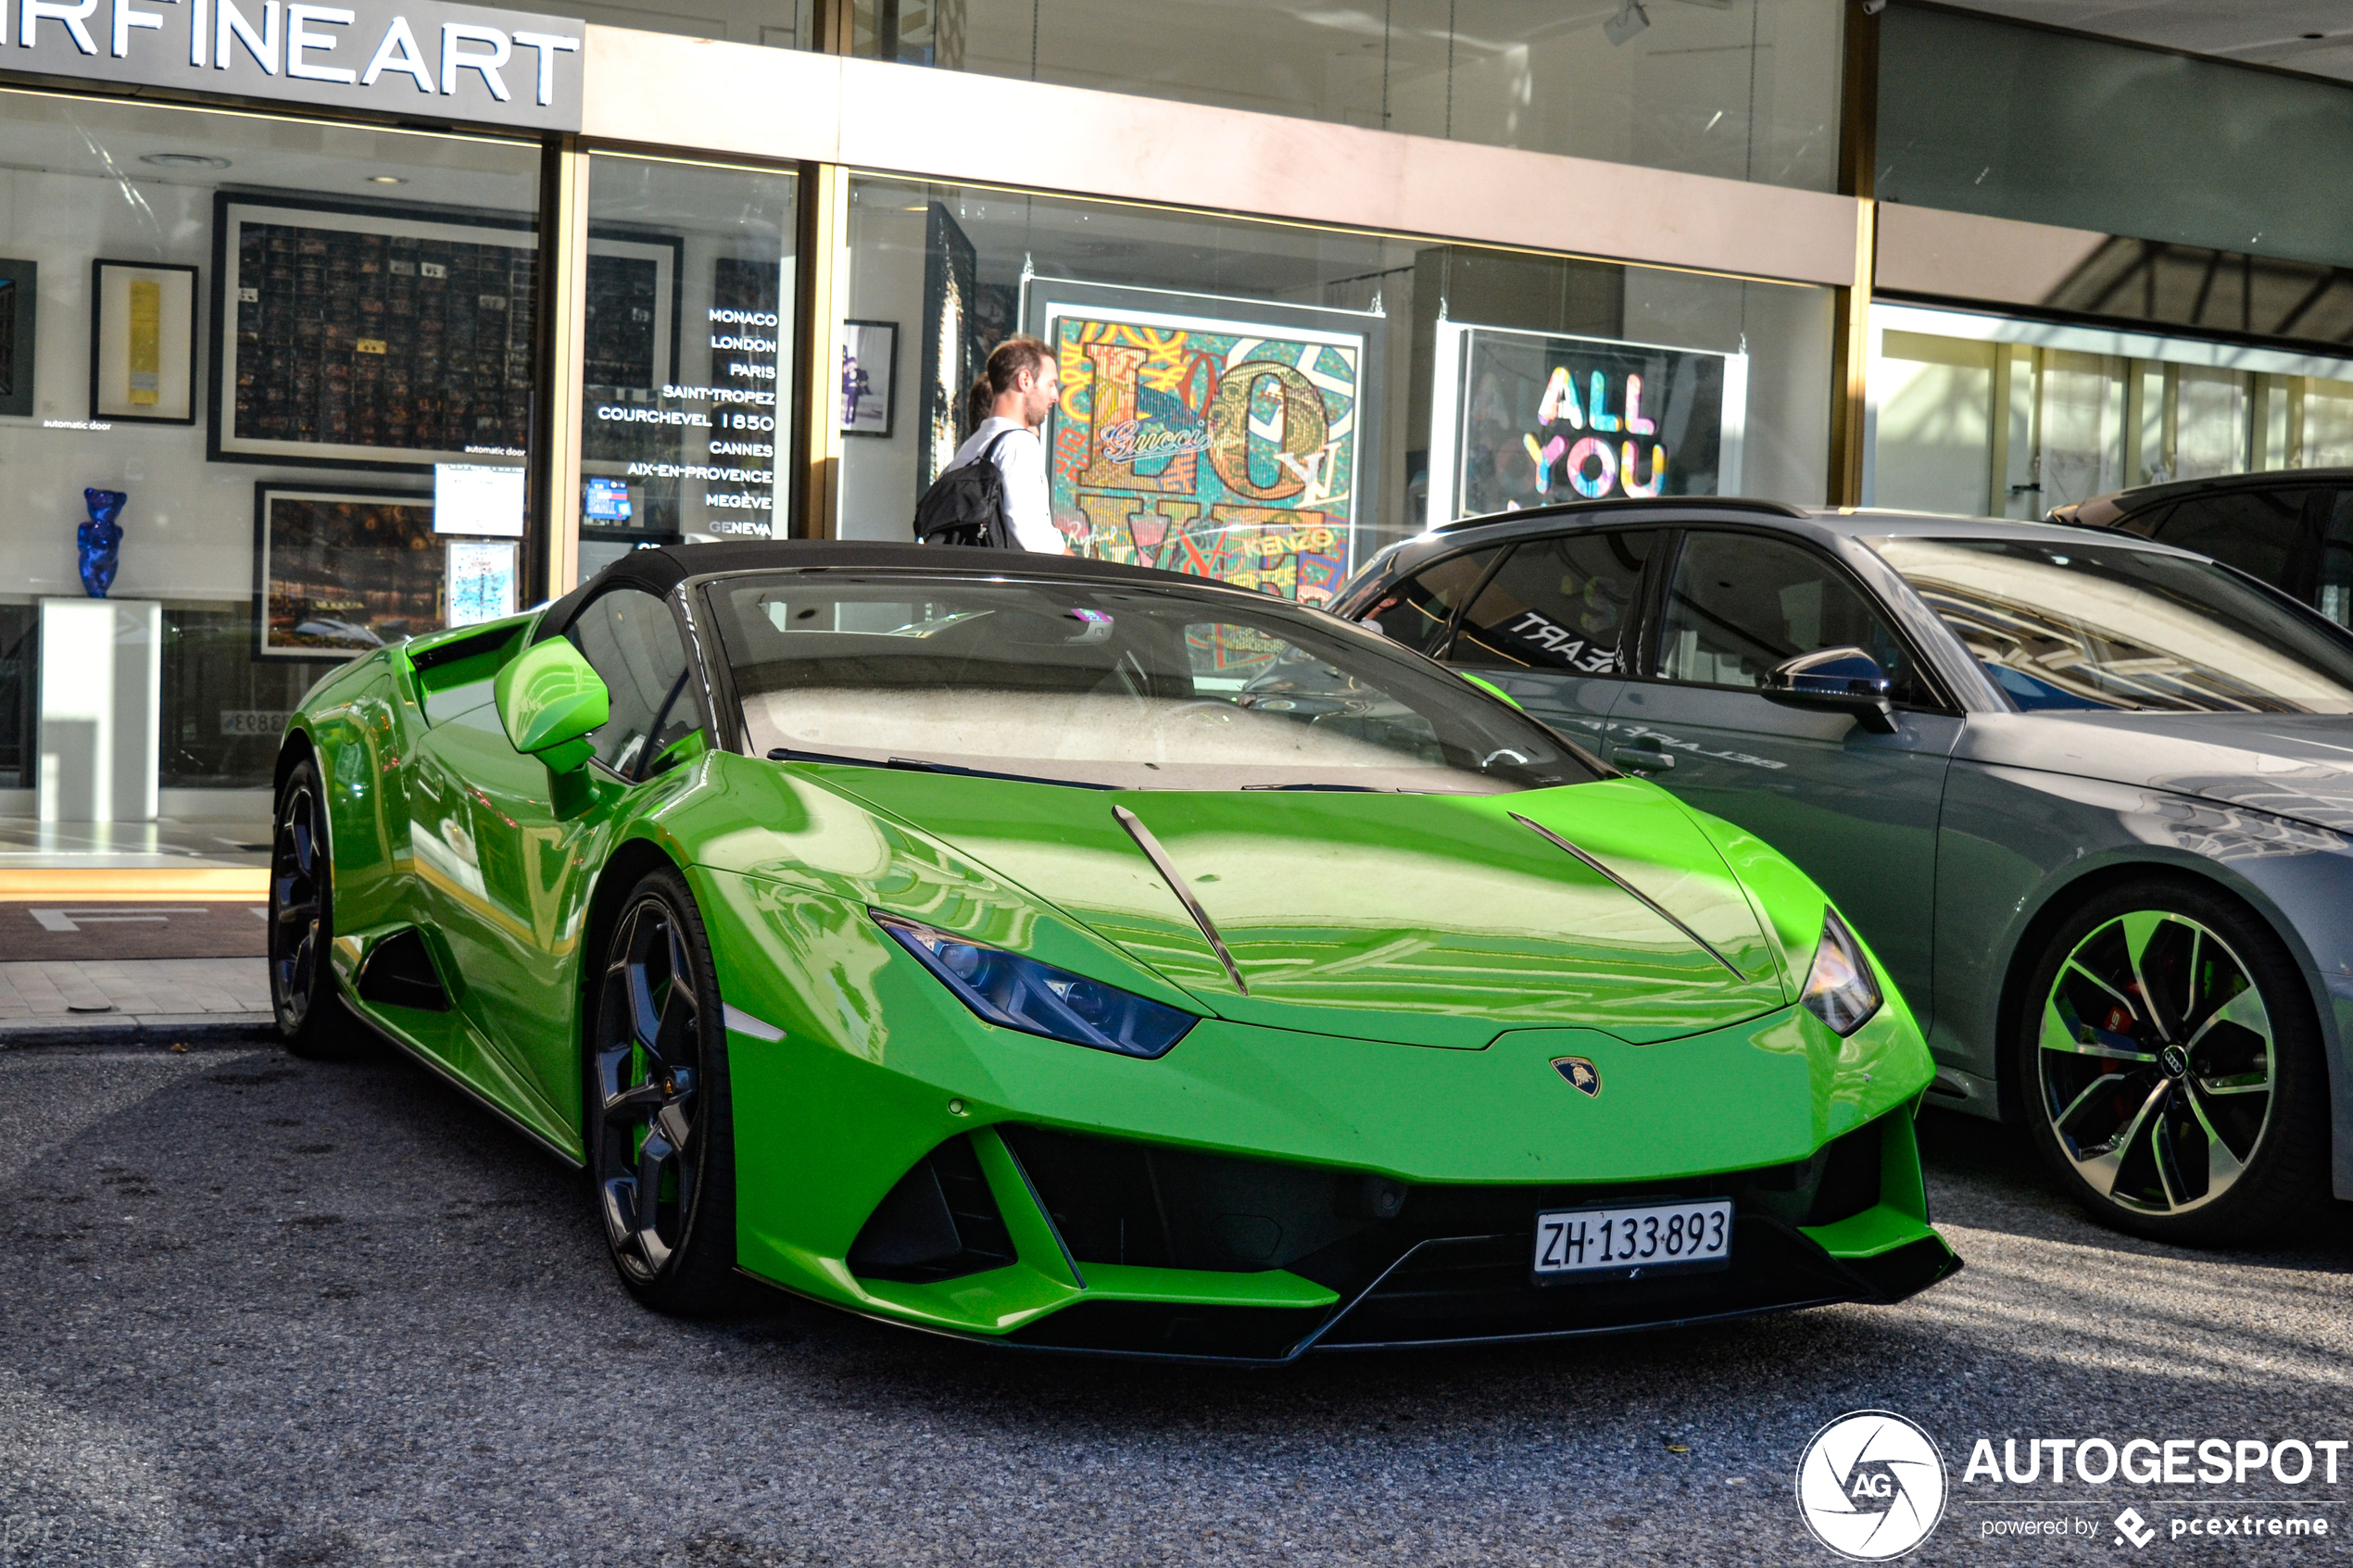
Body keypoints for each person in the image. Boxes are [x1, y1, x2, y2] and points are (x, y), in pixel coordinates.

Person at [940, 334, 1064, 554]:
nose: (1055, 396)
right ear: (1025, 380)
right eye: (1051, 384)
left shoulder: (970, 447)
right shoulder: (1018, 443)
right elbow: (1035, 539)